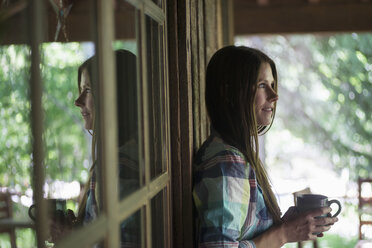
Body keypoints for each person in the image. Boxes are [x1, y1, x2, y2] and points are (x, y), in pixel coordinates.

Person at [192, 46, 339, 248]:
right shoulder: (228, 161)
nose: (274, 95)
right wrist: (284, 233)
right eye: (262, 85)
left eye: (272, 84)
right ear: (229, 92)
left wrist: (286, 224)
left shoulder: (236, 154)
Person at [50, 49, 140, 246]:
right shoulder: (126, 157)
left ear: (116, 95)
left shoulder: (118, 165)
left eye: (88, 90)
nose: (77, 101)